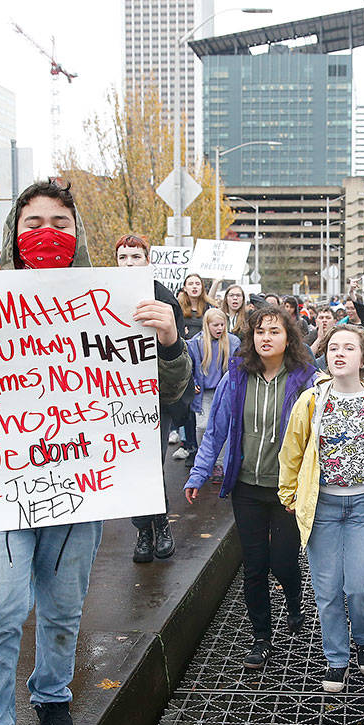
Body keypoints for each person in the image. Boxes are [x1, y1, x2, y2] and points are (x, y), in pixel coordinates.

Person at [0, 181, 189, 725]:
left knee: (63, 605)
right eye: (32, 221)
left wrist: (170, 343)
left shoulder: (116, 302)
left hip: (80, 481)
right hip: (3, 480)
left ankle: (53, 696)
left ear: (78, 232)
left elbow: (170, 391)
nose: (46, 232)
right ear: (13, 231)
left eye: (59, 222)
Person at [279, 324, 364, 693]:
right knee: (327, 587)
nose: (338, 353)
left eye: (348, 348)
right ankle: (336, 657)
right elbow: (293, 450)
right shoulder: (312, 400)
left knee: (361, 586)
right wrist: (289, 493)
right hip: (323, 505)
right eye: (333, 347)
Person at [185, 306, 316, 670]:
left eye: (274, 331)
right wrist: (199, 474)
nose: (266, 338)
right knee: (255, 565)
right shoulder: (237, 377)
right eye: (259, 331)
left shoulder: (306, 379)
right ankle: (261, 637)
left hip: (286, 490)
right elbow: (216, 430)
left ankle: (293, 596)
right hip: (246, 487)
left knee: (283, 561)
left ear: (288, 337)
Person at [113, 234, 191, 563]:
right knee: (133, 468)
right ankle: (144, 530)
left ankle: (160, 524)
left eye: (135, 256)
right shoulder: (103, 294)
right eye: (123, 257)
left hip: (156, 401)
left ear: (148, 260)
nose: (129, 262)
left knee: (150, 466)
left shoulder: (164, 299)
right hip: (117, 401)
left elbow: (176, 354)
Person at [182, 307, 240, 463]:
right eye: (215, 325)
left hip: (225, 391)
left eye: (222, 325)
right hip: (204, 392)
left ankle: (220, 463)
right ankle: (205, 459)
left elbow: (239, 367)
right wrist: (192, 382)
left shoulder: (233, 342)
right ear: (207, 325)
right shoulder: (195, 343)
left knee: (224, 427)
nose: (220, 328)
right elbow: (188, 367)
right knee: (202, 426)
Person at [171, 273, 214, 453]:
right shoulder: (178, 308)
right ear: (185, 287)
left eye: (198, 283)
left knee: (201, 406)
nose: (195, 287)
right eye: (191, 283)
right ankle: (187, 444)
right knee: (187, 404)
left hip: (205, 360)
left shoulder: (210, 307)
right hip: (186, 360)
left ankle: (201, 446)